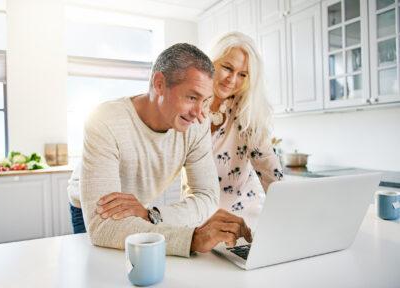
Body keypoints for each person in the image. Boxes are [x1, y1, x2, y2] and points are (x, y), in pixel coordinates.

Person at [71, 43, 252, 257]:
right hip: (90, 210)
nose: (199, 113)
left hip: (141, 209)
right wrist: (192, 239)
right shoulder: (106, 120)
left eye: (205, 100)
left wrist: (151, 214)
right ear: (159, 84)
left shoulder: (196, 124)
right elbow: (104, 228)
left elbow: (207, 197)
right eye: (192, 97)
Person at [205, 32, 283, 228]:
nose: (232, 79)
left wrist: (290, 212)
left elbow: (269, 170)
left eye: (242, 74)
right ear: (211, 62)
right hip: (198, 222)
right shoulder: (190, 108)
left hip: (241, 222)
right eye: (227, 68)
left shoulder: (247, 112)